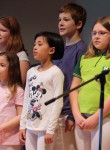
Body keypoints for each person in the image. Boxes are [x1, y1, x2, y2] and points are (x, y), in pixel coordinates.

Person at [70, 16, 110, 150]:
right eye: (94, 33)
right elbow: (74, 88)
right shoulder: (84, 58)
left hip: (105, 119)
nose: (96, 37)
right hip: (81, 118)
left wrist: (96, 118)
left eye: (102, 33)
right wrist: (76, 114)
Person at [20, 31, 64, 150]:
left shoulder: (56, 72)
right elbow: (27, 100)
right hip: (30, 126)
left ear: (51, 50)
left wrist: (50, 129)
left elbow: (58, 102)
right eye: (35, 44)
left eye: (40, 44)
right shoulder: (31, 71)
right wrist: (22, 125)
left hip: (45, 128)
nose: (35, 47)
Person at [53, 3, 87, 150]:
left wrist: (72, 115)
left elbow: (78, 85)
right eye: (59, 19)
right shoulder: (57, 49)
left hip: (68, 114)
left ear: (78, 24)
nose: (61, 23)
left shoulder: (82, 49)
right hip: (55, 111)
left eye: (66, 19)